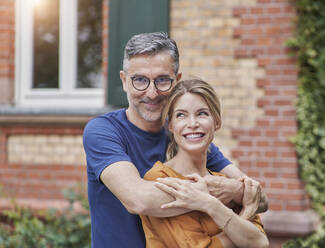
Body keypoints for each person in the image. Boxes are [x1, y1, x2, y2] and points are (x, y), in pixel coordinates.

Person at [83, 32, 268, 248]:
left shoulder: (187, 138)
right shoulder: (103, 131)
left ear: (177, 80)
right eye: (140, 80)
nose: (151, 93)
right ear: (124, 81)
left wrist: (236, 191)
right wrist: (212, 196)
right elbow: (139, 200)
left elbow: (260, 198)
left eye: (162, 80)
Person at [140, 79, 269, 248]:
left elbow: (260, 242)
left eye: (202, 113)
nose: (192, 124)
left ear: (216, 122)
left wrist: (209, 204)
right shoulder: (162, 179)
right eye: (181, 115)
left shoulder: (225, 184)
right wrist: (245, 215)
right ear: (170, 125)